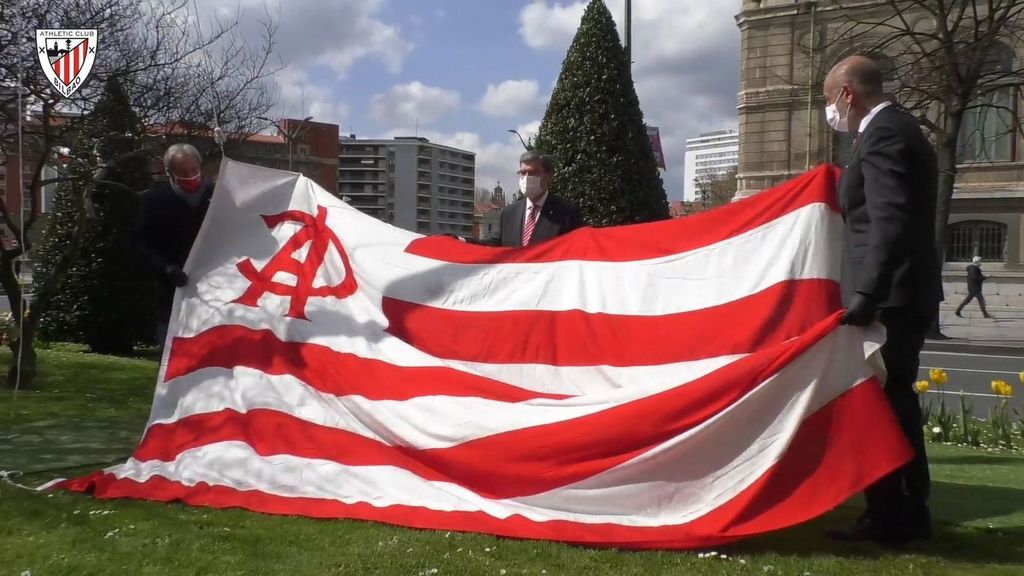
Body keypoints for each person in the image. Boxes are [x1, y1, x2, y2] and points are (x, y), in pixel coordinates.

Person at [823, 55, 943, 545]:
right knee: (894, 404)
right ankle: (903, 513)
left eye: (829, 100)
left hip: (890, 297)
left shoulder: (884, 134)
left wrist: (867, 293)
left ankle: (895, 516)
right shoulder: (898, 129)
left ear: (848, 93)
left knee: (886, 407)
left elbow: (888, 219)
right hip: (901, 292)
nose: (830, 111)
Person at [135, 143, 214, 344]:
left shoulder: (218, 195)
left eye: (194, 170)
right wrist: (166, 269)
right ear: (170, 173)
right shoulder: (154, 201)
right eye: (183, 172)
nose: (190, 176)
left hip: (215, 293)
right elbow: (142, 244)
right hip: (172, 295)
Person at [472, 150, 583, 246]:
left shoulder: (567, 213)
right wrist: (461, 241)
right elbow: (494, 245)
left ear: (549, 176)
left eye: (533, 173)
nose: (526, 178)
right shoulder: (509, 213)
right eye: (523, 173)